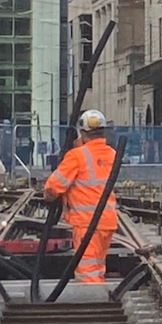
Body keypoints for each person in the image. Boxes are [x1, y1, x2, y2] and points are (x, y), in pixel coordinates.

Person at [44, 109, 119, 283]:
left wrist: (48, 196)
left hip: (87, 224)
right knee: (97, 268)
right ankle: (101, 299)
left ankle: (95, 306)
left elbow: (53, 186)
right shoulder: (112, 154)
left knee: (88, 274)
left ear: (82, 133)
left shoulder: (77, 156)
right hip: (107, 221)